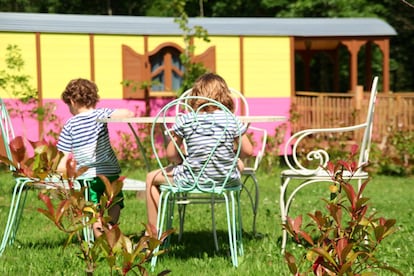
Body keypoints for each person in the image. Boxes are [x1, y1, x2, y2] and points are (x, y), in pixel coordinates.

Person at [145, 73, 253, 229]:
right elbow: (248, 152)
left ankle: (153, 233)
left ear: (195, 95)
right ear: (225, 95)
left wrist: (181, 161)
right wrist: (233, 154)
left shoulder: (186, 119)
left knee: (150, 178)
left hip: (191, 178)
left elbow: (171, 155)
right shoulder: (231, 119)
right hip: (226, 179)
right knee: (238, 163)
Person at [56, 78, 134, 237]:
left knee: (93, 209)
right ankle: (111, 228)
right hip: (110, 173)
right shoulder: (101, 114)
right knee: (115, 201)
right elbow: (128, 114)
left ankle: (101, 239)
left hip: (87, 177)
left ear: (72, 101)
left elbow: (62, 157)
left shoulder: (70, 125)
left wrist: (62, 175)